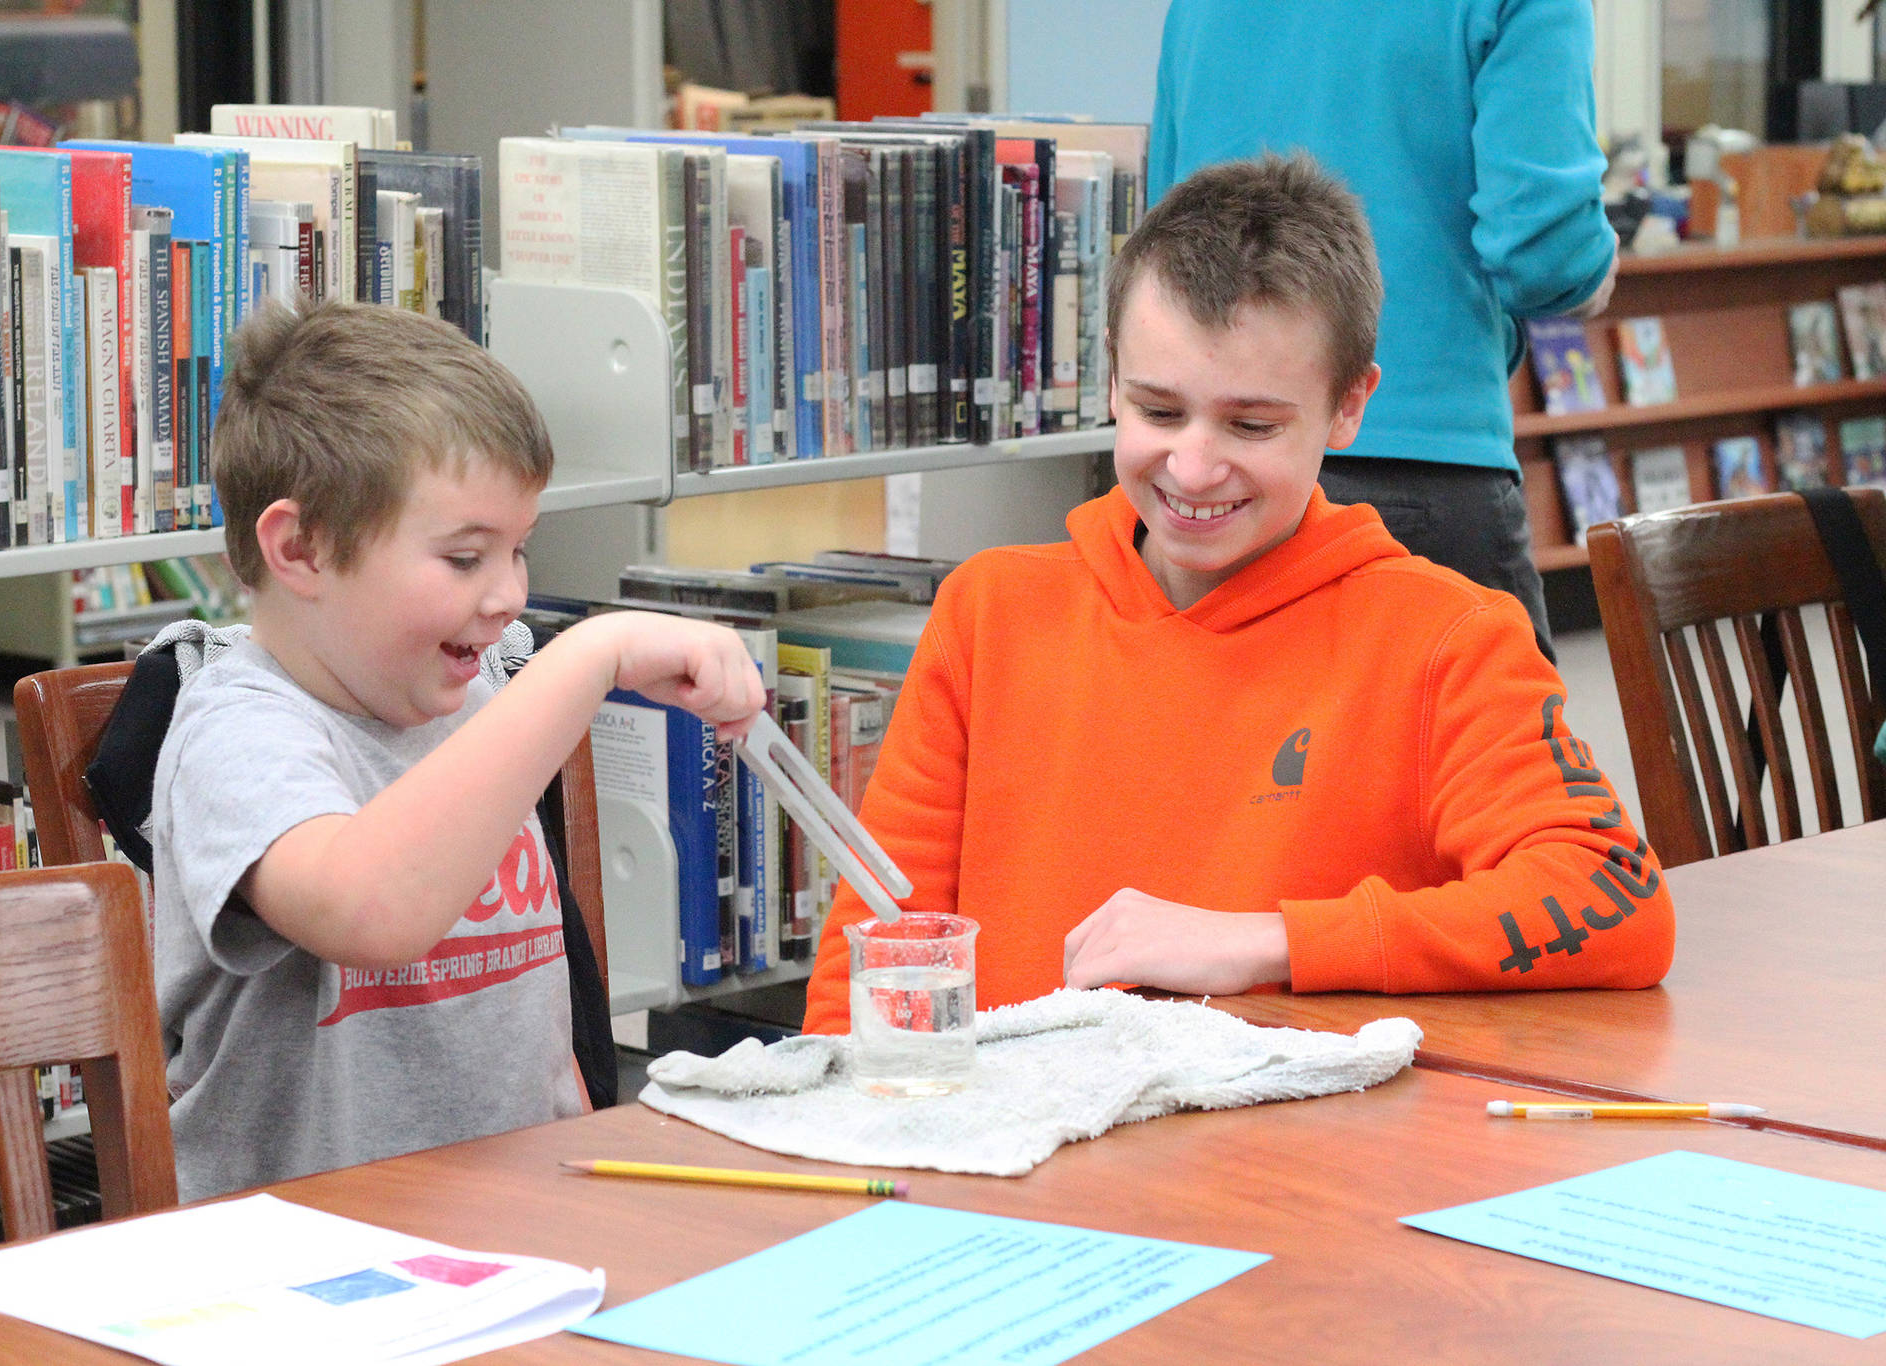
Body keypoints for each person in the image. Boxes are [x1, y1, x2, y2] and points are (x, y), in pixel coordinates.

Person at [802, 155, 1672, 1033]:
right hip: (1015, 1147)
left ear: (1347, 408)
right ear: (1110, 381)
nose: (1192, 467)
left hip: (1277, 1153)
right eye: (1158, 411)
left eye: (1251, 425)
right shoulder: (988, 614)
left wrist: (1270, 944)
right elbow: (870, 962)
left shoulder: (1448, 639)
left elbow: (1618, 901)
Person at [153, 301, 767, 1200]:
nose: (509, 596)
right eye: (465, 557)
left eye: (519, 549)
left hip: (524, 1215)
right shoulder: (235, 734)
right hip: (311, 1263)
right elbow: (371, 914)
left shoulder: (480, 691)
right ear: (302, 547)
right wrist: (587, 659)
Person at [1145, 0, 1622, 661]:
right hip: (1419, 461)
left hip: (1211, 474)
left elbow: (1164, 245)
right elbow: (1545, 251)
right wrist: (1593, 274)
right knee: (1494, 759)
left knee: (1223, 758)